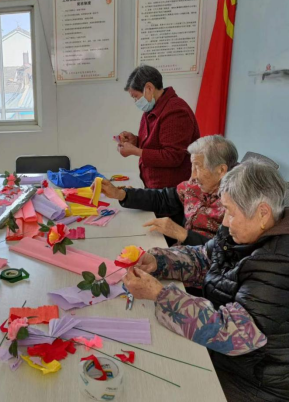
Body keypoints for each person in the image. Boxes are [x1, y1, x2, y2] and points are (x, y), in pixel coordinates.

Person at [123, 160, 289, 401]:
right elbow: (206, 257)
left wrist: (161, 295)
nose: (225, 221)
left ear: (263, 213)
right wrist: (159, 262)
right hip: (227, 359)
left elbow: (233, 334)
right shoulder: (241, 232)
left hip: (254, 382)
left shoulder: (278, 262)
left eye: (231, 212)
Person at [95, 135, 238, 246]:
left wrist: (181, 234)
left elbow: (228, 252)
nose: (192, 176)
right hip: (182, 253)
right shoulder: (194, 186)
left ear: (221, 170)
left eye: (198, 167)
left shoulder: (236, 204)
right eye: (192, 166)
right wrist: (120, 194)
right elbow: (162, 199)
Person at [118, 65, 200, 189]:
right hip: (155, 188)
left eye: (135, 96)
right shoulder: (151, 109)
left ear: (149, 88)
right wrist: (136, 141)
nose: (136, 101)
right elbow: (156, 144)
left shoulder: (175, 111)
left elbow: (172, 156)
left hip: (173, 191)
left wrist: (135, 151)